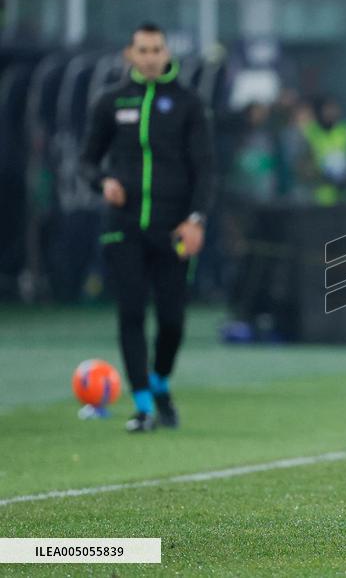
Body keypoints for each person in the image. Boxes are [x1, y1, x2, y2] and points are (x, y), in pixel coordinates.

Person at [80, 22, 214, 432]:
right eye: (143, 50)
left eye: (157, 49)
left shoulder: (189, 103)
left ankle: (159, 383)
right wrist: (103, 182)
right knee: (132, 312)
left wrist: (195, 219)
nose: (151, 57)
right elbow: (87, 161)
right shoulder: (110, 102)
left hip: (173, 229)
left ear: (166, 53)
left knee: (172, 321)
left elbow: (205, 170)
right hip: (123, 228)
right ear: (130, 54)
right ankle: (142, 406)